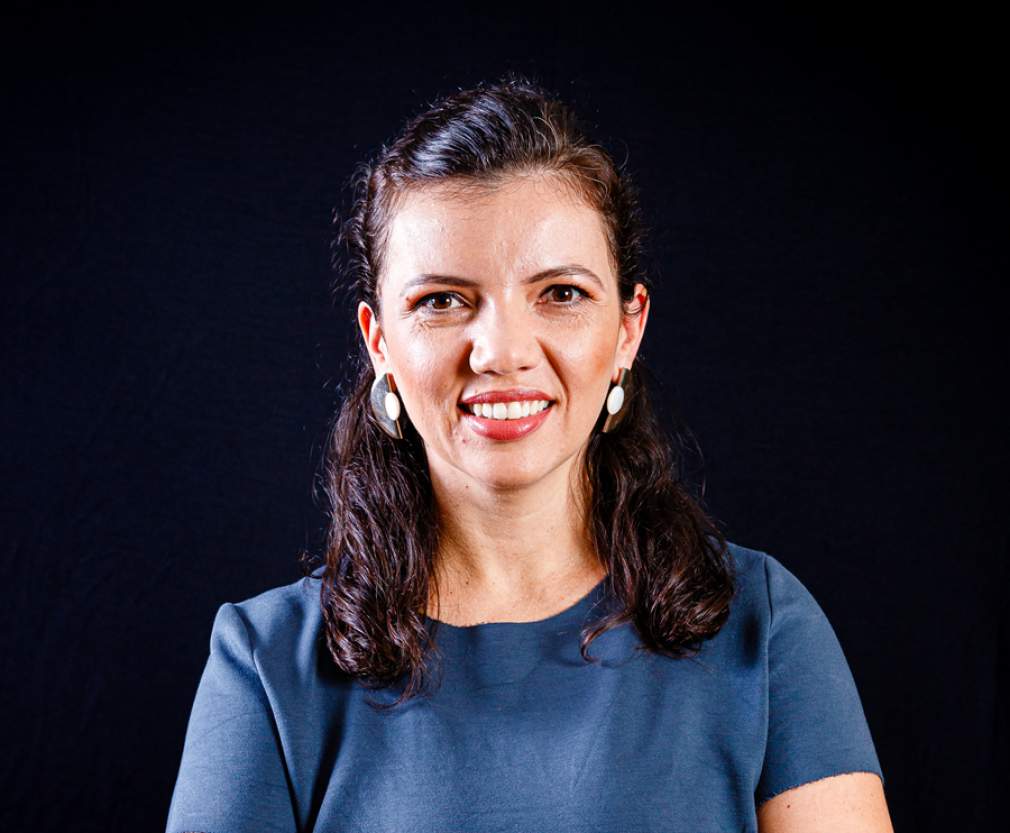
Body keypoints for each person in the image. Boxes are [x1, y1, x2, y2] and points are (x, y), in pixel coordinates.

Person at [165, 74, 894, 833]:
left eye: (561, 293)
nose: (503, 352)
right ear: (379, 341)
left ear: (628, 328)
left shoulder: (763, 628)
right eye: (442, 300)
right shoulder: (265, 664)